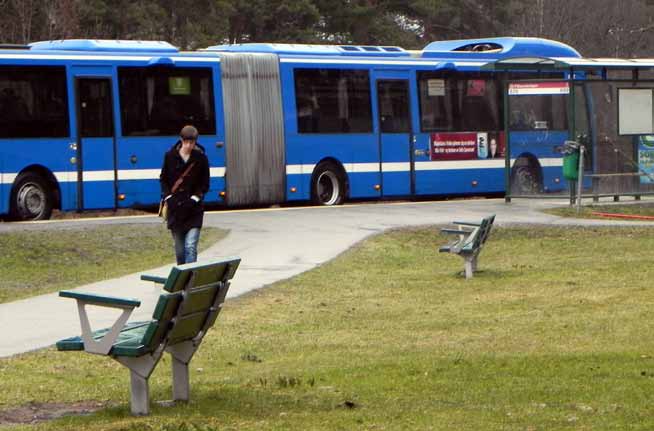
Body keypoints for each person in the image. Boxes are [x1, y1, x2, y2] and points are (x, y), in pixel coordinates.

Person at [160, 125, 210, 264]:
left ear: (195, 142)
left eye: (192, 142)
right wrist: (168, 197)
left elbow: (205, 184)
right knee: (180, 249)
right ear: (181, 140)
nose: (189, 145)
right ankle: (182, 278)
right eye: (186, 142)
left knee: (190, 246)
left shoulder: (201, 158)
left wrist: (195, 198)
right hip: (175, 210)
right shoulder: (170, 156)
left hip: (194, 210)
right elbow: (163, 179)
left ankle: (190, 280)